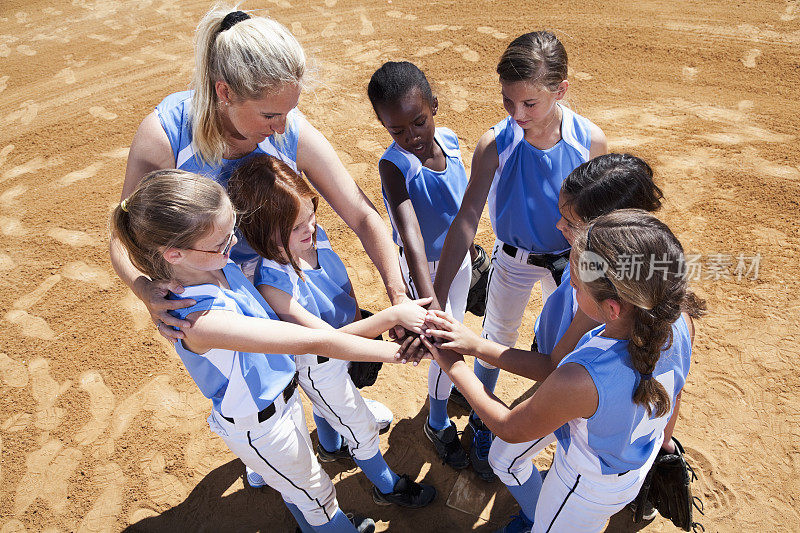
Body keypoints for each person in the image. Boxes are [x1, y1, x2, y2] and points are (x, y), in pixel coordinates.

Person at [111, 169, 430, 532]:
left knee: (300, 489)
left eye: (231, 230)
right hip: (262, 427)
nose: (232, 244)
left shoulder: (218, 265)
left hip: (280, 403)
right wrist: (396, 348)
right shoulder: (200, 320)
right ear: (174, 253)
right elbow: (311, 341)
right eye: (219, 242)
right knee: (317, 495)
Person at [110, 5, 407, 344]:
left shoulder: (288, 128)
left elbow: (363, 215)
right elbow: (125, 234)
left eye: (289, 111)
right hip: (232, 311)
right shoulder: (166, 137)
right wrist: (145, 289)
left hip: (295, 286)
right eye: (269, 115)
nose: (282, 127)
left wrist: (397, 295)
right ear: (225, 93)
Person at [424, 209, 705, 532]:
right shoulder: (680, 321)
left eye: (578, 286)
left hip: (584, 489)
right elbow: (676, 389)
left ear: (612, 309)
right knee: (504, 458)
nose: (571, 285)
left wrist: (453, 365)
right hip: (631, 458)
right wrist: (665, 442)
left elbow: (509, 426)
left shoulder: (581, 379)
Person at [432, 31, 608, 481]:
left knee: (565, 347)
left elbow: (599, 221)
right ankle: (483, 417)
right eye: (508, 101)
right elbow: (468, 215)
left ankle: (551, 416)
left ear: (561, 89)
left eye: (529, 103)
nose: (516, 114)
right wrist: (435, 296)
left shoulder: (590, 141)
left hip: (570, 265)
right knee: (496, 332)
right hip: (511, 258)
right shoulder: (496, 141)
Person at [226, 155, 437, 508]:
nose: (309, 229)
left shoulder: (314, 237)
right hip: (321, 362)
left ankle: (329, 446)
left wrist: (365, 323)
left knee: (331, 410)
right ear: (262, 230)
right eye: (295, 227)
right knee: (361, 428)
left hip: (351, 338)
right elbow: (328, 343)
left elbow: (342, 283)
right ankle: (387, 487)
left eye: (311, 214)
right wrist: (390, 321)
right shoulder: (272, 285)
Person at [483, 153, 666, 527]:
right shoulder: (639, 280)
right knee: (504, 457)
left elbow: (553, 374)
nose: (558, 224)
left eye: (571, 221)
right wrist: (661, 444)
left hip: (579, 416)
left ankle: (542, 520)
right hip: (580, 397)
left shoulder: (596, 298)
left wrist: (462, 354)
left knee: (505, 456)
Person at [367, 60, 482, 470]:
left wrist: (469, 249)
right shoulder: (394, 165)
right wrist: (427, 296)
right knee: (444, 343)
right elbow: (410, 232)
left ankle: (442, 398)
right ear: (384, 126)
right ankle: (436, 421)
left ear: (434, 105)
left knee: (451, 336)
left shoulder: (450, 141)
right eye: (397, 130)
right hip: (424, 272)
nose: (411, 136)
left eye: (419, 122)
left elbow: (460, 207)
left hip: (458, 261)